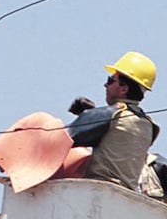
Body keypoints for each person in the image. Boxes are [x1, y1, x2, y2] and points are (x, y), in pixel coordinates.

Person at [65, 51, 160, 190]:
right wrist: (92, 114)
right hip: (126, 194)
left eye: (110, 80)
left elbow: (63, 138)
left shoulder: (112, 114)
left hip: (98, 190)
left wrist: (88, 116)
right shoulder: (148, 125)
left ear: (123, 88)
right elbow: (116, 139)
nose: (105, 85)